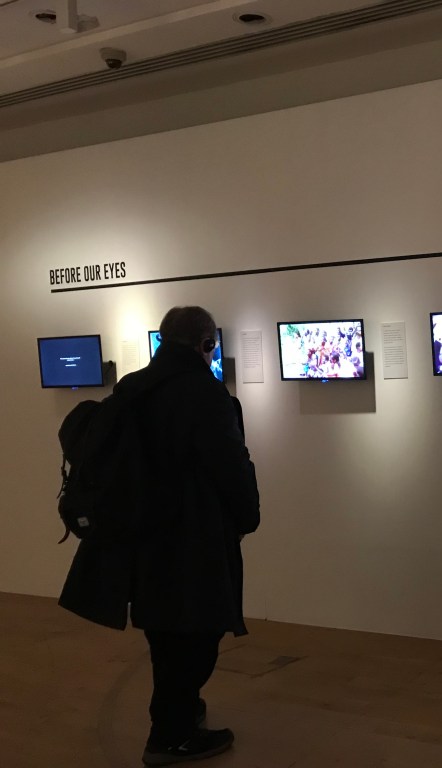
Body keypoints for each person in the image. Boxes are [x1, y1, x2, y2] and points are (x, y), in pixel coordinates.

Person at [61, 306, 260, 766]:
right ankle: (170, 737)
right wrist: (248, 516)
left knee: (165, 636)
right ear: (206, 345)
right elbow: (230, 465)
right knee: (199, 635)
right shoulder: (206, 395)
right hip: (193, 540)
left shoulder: (133, 386)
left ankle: (179, 713)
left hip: (141, 541)